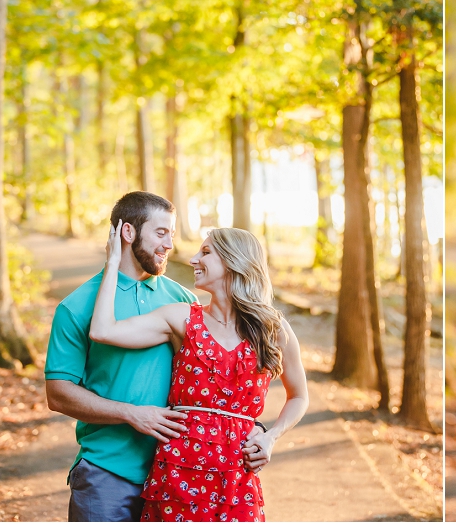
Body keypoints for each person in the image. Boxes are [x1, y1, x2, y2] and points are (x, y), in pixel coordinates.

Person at [89, 223, 309, 522]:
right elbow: (103, 331)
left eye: (205, 252)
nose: (193, 259)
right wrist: (112, 263)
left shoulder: (273, 329)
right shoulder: (181, 317)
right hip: (178, 471)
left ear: (234, 261)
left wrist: (271, 437)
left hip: (237, 478)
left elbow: (298, 397)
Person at [46, 191, 200, 522]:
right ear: (128, 233)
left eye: (171, 234)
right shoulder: (77, 306)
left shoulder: (184, 300)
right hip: (106, 472)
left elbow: (218, 375)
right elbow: (58, 394)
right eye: (161, 232)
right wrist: (132, 414)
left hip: (177, 467)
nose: (169, 244)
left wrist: (256, 428)